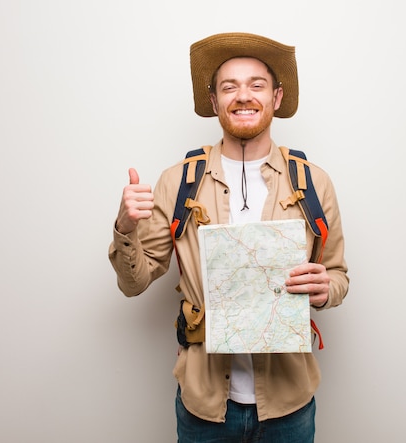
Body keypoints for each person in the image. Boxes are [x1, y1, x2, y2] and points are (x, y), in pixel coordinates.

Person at [108, 32, 349, 443]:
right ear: (215, 100)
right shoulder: (179, 181)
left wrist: (326, 290)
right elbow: (134, 284)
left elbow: (338, 275)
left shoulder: (312, 181)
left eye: (256, 85)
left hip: (289, 402)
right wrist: (125, 229)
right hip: (203, 403)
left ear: (276, 97)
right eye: (229, 87)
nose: (243, 96)